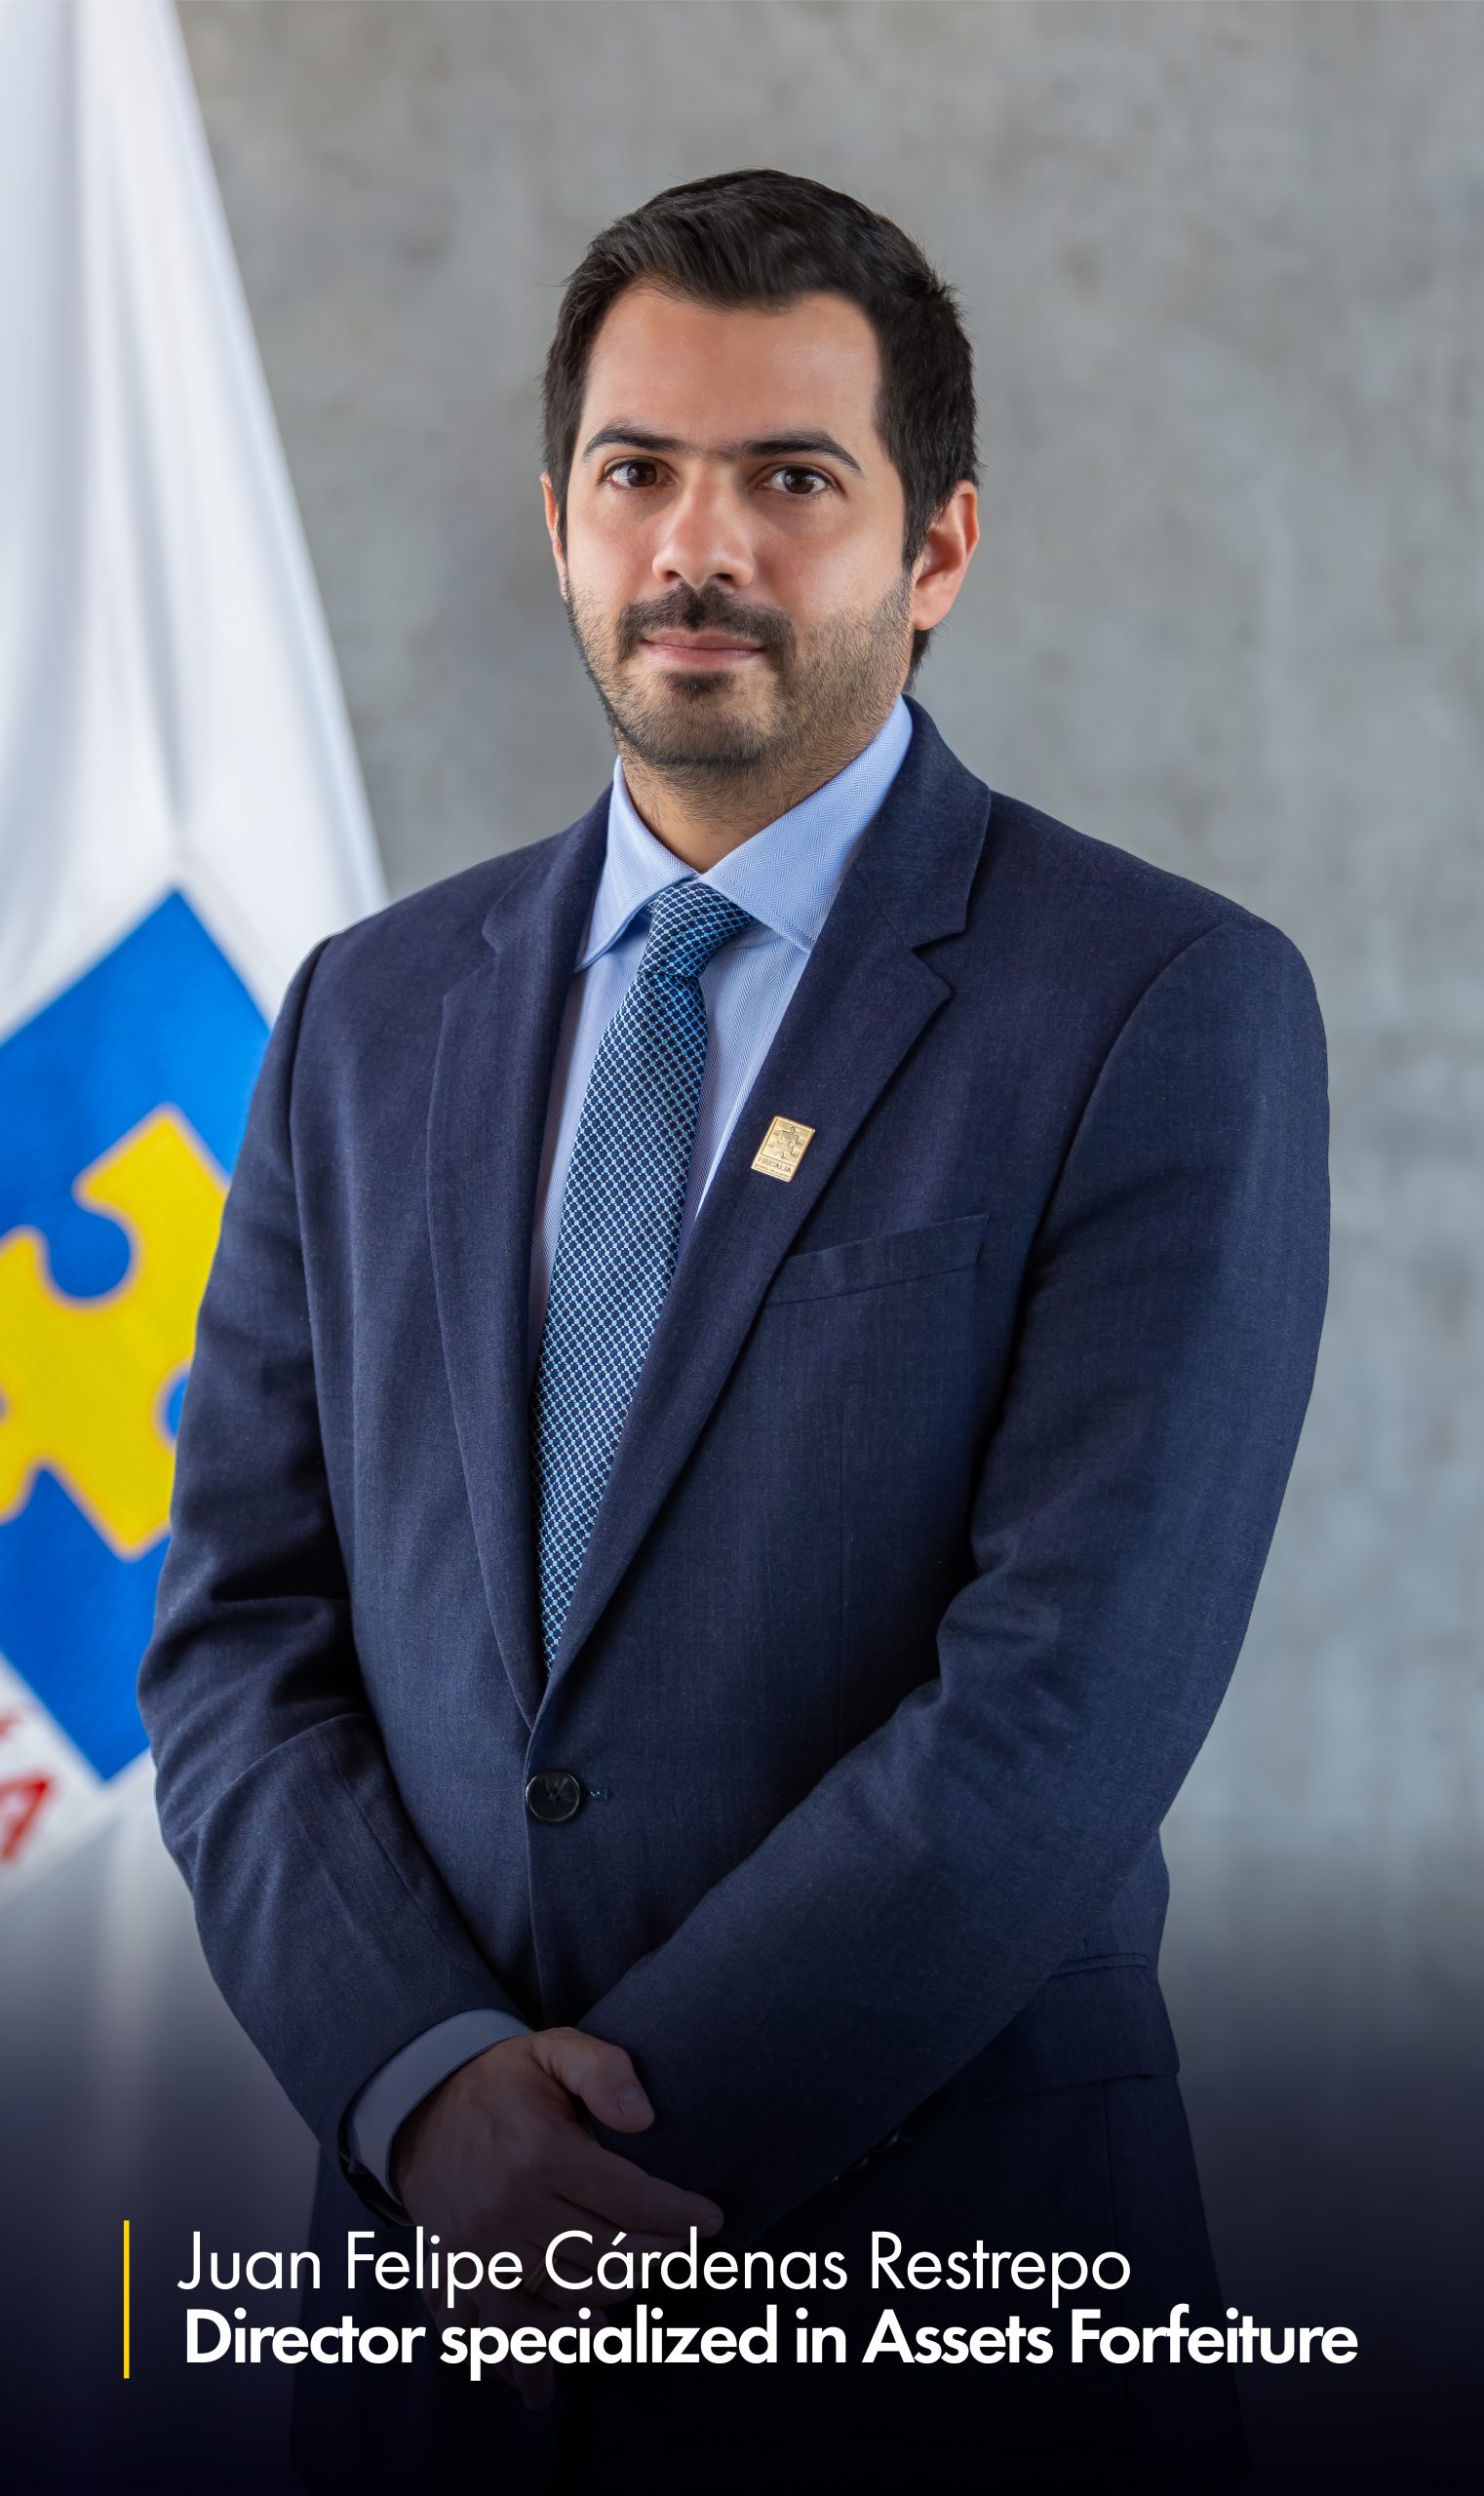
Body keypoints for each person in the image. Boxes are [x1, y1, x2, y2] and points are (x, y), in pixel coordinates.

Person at [138, 169, 1329, 2493]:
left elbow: (1058, 1704)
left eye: (791, 477)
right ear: (557, 524)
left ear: (936, 547)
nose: (698, 545)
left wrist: (581, 2178)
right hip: (424, 2330)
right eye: (635, 473)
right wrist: (431, 2098)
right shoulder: (365, 1013)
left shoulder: (1158, 1005)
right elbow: (238, 1644)